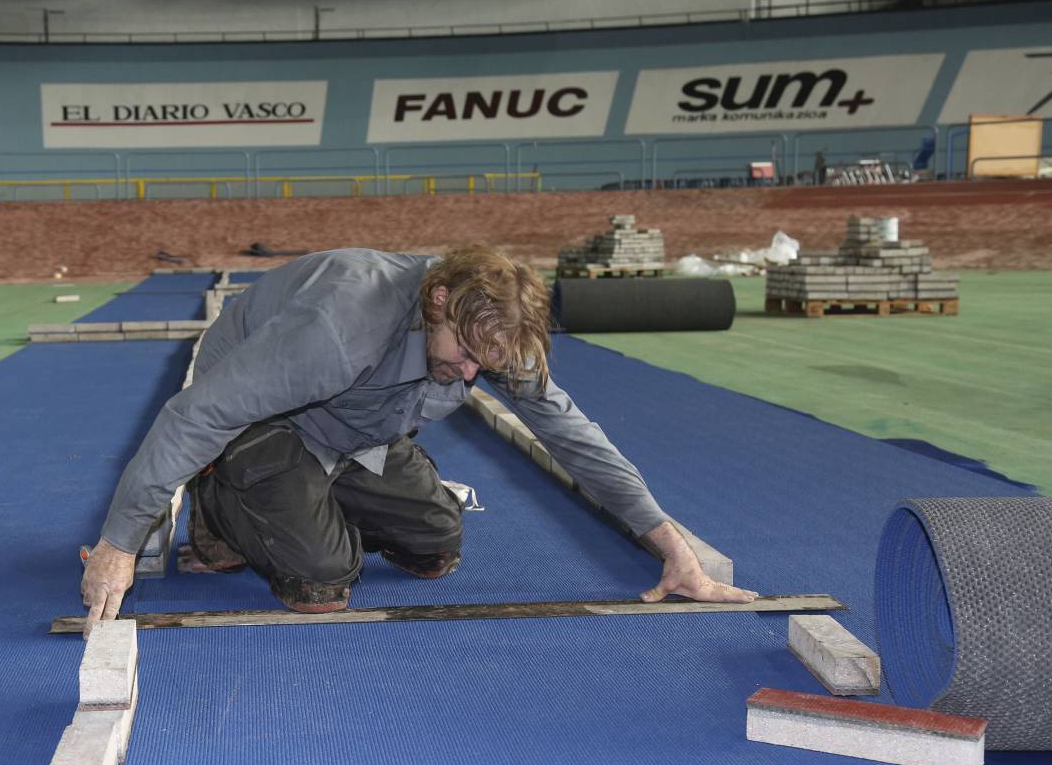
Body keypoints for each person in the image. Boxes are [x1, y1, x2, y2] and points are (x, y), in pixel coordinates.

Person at [81, 246, 755, 635]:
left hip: (358, 424)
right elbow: (197, 415)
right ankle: (221, 508)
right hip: (265, 417)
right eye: (463, 358)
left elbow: (575, 438)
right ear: (436, 303)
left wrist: (673, 549)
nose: (470, 378)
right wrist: (119, 544)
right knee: (321, 584)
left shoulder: (490, 334)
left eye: (482, 370)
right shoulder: (342, 329)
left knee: (435, 546)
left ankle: (296, 502)